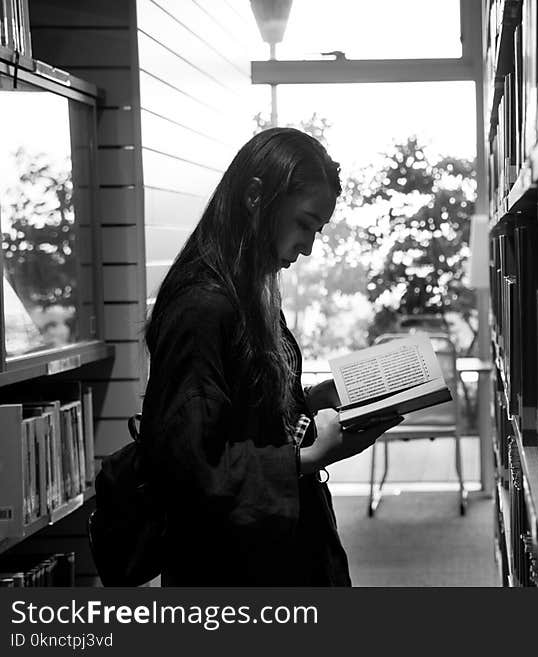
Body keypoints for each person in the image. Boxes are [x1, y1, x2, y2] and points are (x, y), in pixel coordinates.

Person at [139, 128, 402, 586]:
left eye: (317, 230)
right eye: (303, 224)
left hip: (274, 553)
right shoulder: (202, 305)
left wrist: (311, 398)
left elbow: (245, 411)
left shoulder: (246, 287)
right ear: (256, 196)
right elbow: (190, 466)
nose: (308, 247)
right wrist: (308, 459)